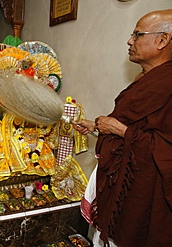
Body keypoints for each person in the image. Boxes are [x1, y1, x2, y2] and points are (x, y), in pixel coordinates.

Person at [74, 9, 172, 247]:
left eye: (137, 34)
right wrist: (98, 126)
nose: (130, 41)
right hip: (120, 191)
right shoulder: (147, 79)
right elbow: (136, 124)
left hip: (143, 200)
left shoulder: (167, 83)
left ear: (162, 40)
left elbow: (164, 148)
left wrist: (121, 131)